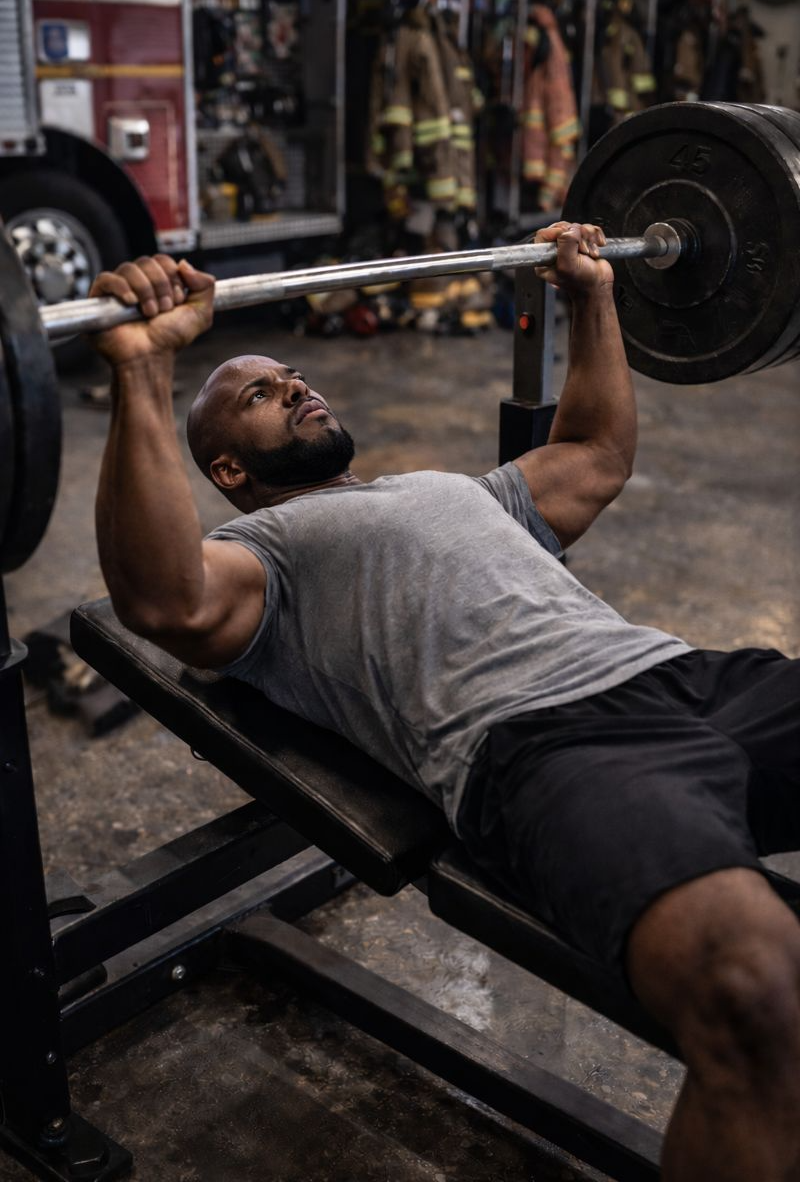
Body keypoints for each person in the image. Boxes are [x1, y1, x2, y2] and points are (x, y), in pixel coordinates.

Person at [89, 224, 800, 1182]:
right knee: (754, 994)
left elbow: (593, 452)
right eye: (262, 393)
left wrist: (591, 292)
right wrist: (143, 368)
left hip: (680, 676)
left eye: (294, 375)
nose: (298, 386)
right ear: (228, 471)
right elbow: (161, 598)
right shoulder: (265, 556)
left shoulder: (447, 489)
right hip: (549, 752)